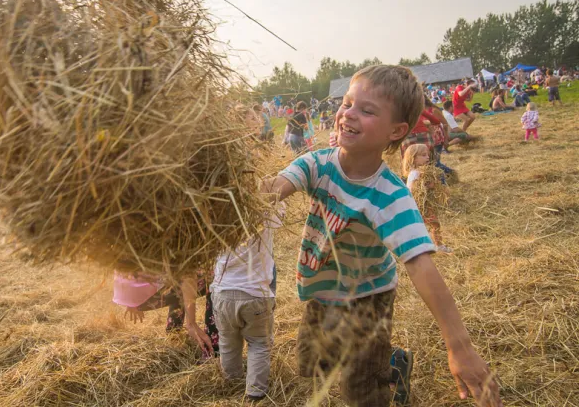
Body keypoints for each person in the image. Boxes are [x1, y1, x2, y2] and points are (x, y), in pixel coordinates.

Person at [262, 65, 501, 406]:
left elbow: (421, 265)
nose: (348, 114)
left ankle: (388, 367)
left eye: (367, 110)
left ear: (396, 130)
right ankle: (388, 363)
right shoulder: (317, 164)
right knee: (315, 363)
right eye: (346, 104)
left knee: (361, 390)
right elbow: (272, 191)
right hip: (323, 288)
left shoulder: (390, 196)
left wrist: (459, 347)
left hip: (368, 299)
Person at [211, 205, 283, 401]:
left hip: (223, 292)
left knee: (227, 341)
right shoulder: (265, 210)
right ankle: (255, 393)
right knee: (259, 344)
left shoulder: (214, 212)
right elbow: (280, 209)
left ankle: (231, 383)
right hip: (256, 294)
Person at [114, 268, 219, 358]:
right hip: (162, 290)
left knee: (178, 279)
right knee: (216, 278)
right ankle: (213, 347)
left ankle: (174, 331)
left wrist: (131, 302)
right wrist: (191, 324)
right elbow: (187, 278)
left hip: (150, 296)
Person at [403, 144, 451, 253]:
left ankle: (436, 245)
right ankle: (436, 245)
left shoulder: (423, 171)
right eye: (423, 155)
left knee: (432, 224)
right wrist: (428, 186)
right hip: (419, 205)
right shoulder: (415, 173)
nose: (428, 157)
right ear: (413, 158)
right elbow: (413, 189)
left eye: (427, 155)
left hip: (426, 204)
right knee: (433, 224)